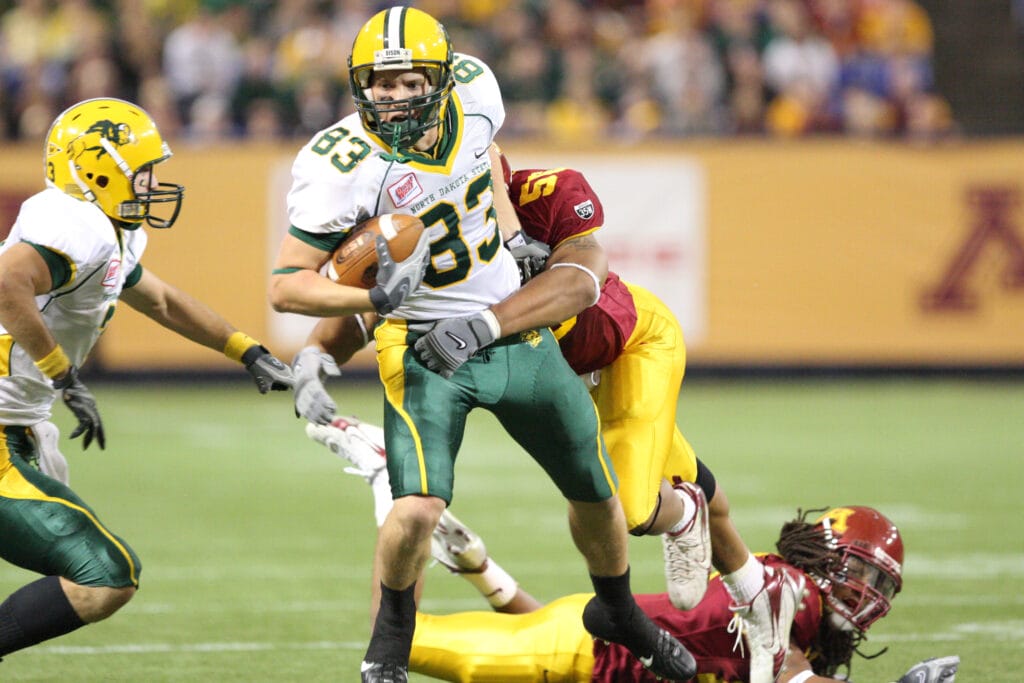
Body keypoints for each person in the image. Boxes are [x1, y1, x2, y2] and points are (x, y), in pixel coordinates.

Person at [269, 6, 695, 683]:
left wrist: (505, 222)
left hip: (510, 329)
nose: (393, 97)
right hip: (424, 347)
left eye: (410, 82)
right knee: (415, 508)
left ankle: (616, 608)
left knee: (596, 488)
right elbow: (289, 285)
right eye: (379, 84)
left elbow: (488, 154)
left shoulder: (476, 92)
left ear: (441, 80)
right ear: (358, 85)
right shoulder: (338, 162)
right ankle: (388, 644)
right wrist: (359, 314)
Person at [296, 159, 796, 679]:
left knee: (627, 506)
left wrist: (487, 318)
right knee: (683, 481)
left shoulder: (544, 193)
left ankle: (680, 513)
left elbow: (581, 283)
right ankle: (757, 594)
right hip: (571, 372)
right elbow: (368, 309)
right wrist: (313, 352)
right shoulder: (435, 235)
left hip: (628, 347)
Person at [306, 420, 961, 683]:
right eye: (866, 573)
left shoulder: (808, 635)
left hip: (589, 648)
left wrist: (485, 572)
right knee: (394, 641)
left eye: (883, 584)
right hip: (581, 650)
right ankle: (394, 479)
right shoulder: (788, 593)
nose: (872, 596)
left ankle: (450, 538)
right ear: (827, 557)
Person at [0, 97, 293, 661]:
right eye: (142, 171)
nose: (154, 183)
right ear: (98, 169)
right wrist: (63, 375)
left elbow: (161, 300)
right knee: (105, 573)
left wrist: (244, 349)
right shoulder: (74, 221)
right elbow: (8, 285)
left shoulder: (110, 230)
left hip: (21, 424)